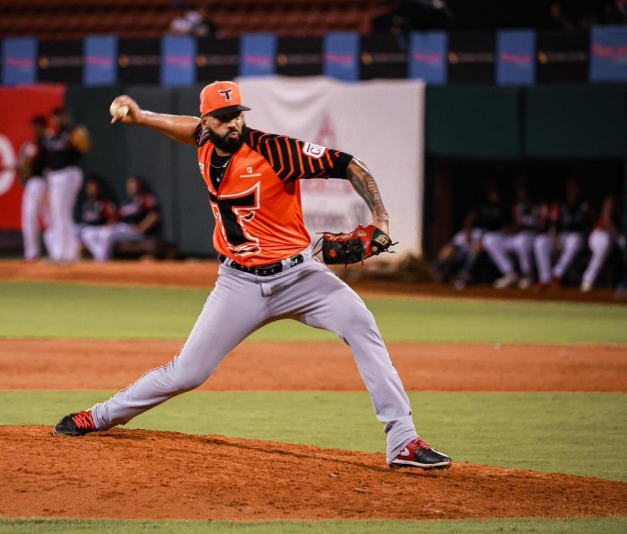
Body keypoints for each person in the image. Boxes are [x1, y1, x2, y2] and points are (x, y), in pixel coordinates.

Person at [54, 81, 452, 471]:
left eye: (237, 115)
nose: (234, 124)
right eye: (223, 118)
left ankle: (403, 439)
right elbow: (187, 128)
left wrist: (379, 218)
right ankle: (100, 416)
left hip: (300, 278)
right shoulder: (205, 141)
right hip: (238, 284)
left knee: (361, 323)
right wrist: (142, 118)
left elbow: (350, 164)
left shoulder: (276, 151)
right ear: (208, 121)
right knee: (188, 372)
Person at [44, 106, 91, 263]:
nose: (57, 119)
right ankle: (68, 252)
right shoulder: (53, 136)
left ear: (66, 117)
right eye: (55, 117)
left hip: (68, 173)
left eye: (60, 116)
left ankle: (63, 254)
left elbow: (85, 147)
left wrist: (79, 138)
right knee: (59, 214)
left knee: (62, 213)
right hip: (55, 176)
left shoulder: (73, 131)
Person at [83, 176, 161, 263]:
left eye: (133, 184)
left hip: (136, 231)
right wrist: (111, 224)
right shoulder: (127, 201)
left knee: (106, 234)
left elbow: (154, 215)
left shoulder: (145, 198)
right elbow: (117, 217)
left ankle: (101, 261)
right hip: (124, 229)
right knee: (95, 233)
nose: (131, 187)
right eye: (129, 184)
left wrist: (141, 228)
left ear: (140, 185)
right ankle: (100, 258)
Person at [482, 179, 543, 290]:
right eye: (520, 191)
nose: (522, 194)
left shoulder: (538, 206)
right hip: (516, 237)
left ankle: (527, 275)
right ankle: (510, 273)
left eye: (524, 191)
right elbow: (513, 225)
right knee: (489, 239)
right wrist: (509, 229)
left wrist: (523, 227)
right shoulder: (517, 206)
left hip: (532, 238)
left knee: (522, 240)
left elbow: (541, 228)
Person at [533, 178, 590, 290]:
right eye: (570, 187)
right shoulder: (560, 203)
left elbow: (587, 225)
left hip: (578, 238)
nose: (573, 190)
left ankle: (558, 275)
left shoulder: (584, 204)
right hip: (561, 236)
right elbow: (553, 224)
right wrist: (556, 240)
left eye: (575, 187)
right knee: (540, 241)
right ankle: (545, 278)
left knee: (575, 240)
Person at [18, 115, 49, 262]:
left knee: (31, 216)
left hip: (39, 182)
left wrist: (22, 167)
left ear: (42, 126)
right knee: (48, 218)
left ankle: (33, 253)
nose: (33, 129)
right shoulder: (42, 141)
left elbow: (28, 167)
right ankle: (35, 253)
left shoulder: (43, 141)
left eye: (36, 125)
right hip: (44, 183)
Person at [581, 194, 625, 292]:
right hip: (600, 234)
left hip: (613, 237)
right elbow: (607, 220)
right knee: (604, 244)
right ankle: (588, 280)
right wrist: (618, 235)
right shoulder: (612, 199)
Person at [78, 175, 119, 260]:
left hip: (101, 228)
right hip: (88, 229)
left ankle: (101, 258)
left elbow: (113, 218)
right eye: (88, 186)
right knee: (84, 233)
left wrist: (107, 227)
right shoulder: (87, 204)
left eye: (92, 186)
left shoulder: (104, 203)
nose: (90, 188)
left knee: (102, 234)